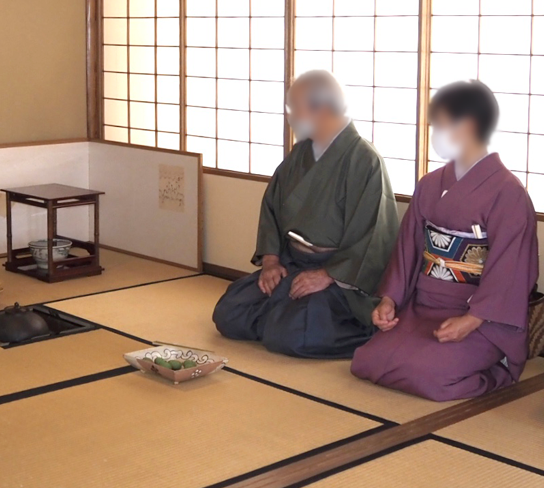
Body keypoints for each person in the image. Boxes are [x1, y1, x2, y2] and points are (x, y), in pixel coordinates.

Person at [351, 81, 540, 401]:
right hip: (421, 307)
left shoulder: (508, 194)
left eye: (440, 125)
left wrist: (472, 319)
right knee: (367, 362)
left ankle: (500, 368)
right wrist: (390, 299)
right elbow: (408, 250)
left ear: (469, 126)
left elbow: (511, 270)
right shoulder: (429, 185)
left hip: (480, 318)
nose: (434, 133)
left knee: (430, 377)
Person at [212, 70, 400, 358]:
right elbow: (272, 206)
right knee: (230, 312)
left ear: (321, 108)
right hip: (292, 263)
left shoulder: (364, 160)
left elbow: (373, 235)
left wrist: (327, 275)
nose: (290, 116)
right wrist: (271, 262)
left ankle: (364, 330)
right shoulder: (301, 153)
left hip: (340, 278)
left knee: (291, 336)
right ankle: (283, 316)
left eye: (295, 108)